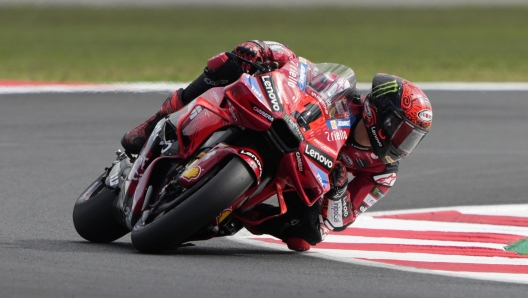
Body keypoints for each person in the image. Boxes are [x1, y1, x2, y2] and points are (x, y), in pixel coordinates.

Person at [121, 40, 433, 251]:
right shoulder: (343, 98)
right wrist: (263, 50)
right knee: (230, 64)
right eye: (402, 132)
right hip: (283, 125)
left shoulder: (383, 173)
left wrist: (337, 191)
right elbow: (300, 68)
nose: (402, 144)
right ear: (381, 114)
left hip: (305, 179)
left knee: (306, 238)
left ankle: (235, 212)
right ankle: (156, 120)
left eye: (412, 138)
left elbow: (339, 220)